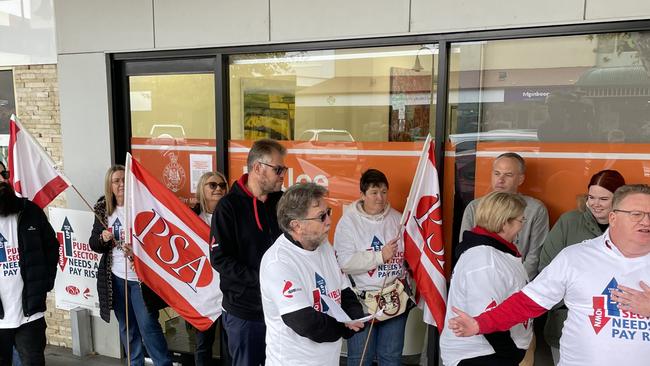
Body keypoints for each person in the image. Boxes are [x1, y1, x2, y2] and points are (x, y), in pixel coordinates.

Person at [448, 184, 650, 366]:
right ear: (613, 218)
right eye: (636, 214)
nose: (646, 221)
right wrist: (479, 323)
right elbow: (528, 302)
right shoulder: (575, 257)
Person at [260, 182, 365, 366]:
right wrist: (343, 327)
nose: (329, 221)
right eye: (321, 216)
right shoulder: (278, 262)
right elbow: (304, 322)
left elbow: (343, 289)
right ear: (297, 226)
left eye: (328, 212)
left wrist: (353, 315)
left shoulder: (324, 245)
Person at [210, 138, 287, 366]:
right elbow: (220, 259)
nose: (282, 174)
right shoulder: (228, 207)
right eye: (278, 169)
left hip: (280, 306)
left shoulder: (281, 202)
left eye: (284, 169)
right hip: (245, 312)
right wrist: (261, 279)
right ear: (257, 168)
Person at [538, 169, 625, 363]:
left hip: (617, 329)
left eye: (603, 199)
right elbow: (546, 269)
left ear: (620, 199)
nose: (595, 204)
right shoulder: (569, 222)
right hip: (567, 324)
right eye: (591, 197)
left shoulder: (632, 228)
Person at [89, 165, 172, 366]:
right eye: (116, 181)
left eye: (124, 180)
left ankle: (163, 363)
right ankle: (135, 363)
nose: (121, 184)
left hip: (140, 279)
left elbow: (157, 241)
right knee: (127, 327)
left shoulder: (141, 205)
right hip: (116, 278)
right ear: (109, 185)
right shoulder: (103, 209)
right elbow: (94, 244)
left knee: (148, 326)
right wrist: (102, 238)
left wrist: (137, 252)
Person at [441, 191, 531, 366]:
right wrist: (510, 356)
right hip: (481, 354)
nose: (522, 226)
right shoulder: (485, 261)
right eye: (521, 221)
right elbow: (487, 315)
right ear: (505, 223)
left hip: (490, 353)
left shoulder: (495, 253)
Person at [333, 168, 408, 366]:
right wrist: (379, 256)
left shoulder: (398, 219)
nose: (380, 197)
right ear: (363, 194)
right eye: (374, 192)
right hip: (361, 301)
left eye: (384, 192)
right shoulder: (348, 222)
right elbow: (345, 262)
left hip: (394, 299)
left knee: (391, 357)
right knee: (360, 358)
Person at [459, 152, 549, 279]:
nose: (500, 180)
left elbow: (535, 256)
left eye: (508, 175)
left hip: (520, 282)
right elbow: (465, 249)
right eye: (497, 173)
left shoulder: (536, 209)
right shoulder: (474, 207)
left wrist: (516, 283)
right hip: (480, 278)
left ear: (521, 179)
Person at [0, 181, 59, 366]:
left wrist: (46, 282)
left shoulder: (30, 212)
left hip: (30, 315)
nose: (1, 180)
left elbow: (51, 247)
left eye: (3, 174)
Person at [189, 171, 230, 366]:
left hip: (230, 289)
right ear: (202, 189)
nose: (218, 189)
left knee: (231, 344)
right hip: (203, 292)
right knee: (203, 344)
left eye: (222, 185)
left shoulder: (232, 216)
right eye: (212, 185)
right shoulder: (190, 218)